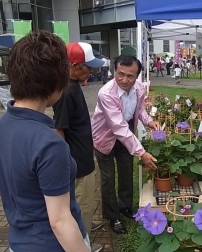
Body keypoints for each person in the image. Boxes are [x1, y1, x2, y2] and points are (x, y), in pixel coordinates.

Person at [0, 30, 89, 251]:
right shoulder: (49, 144)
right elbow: (60, 221)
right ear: (58, 81)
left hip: (18, 243)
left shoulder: (4, 125)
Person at [91, 55, 159, 234]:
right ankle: (113, 217)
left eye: (131, 76)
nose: (125, 80)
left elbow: (140, 108)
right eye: (120, 74)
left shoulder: (139, 88)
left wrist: (148, 121)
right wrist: (141, 152)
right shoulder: (106, 93)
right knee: (108, 178)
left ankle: (125, 207)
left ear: (137, 76)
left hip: (126, 131)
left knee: (126, 172)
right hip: (104, 136)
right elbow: (117, 127)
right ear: (114, 70)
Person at [52, 42, 104, 252]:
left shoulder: (74, 85)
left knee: (87, 202)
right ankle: (84, 243)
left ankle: (87, 228)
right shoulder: (65, 92)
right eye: (87, 67)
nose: (91, 71)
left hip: (82, 157)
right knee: (81, 204)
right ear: (74, 66)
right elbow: (59, 130)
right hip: (77, 163)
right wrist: (65, 163)